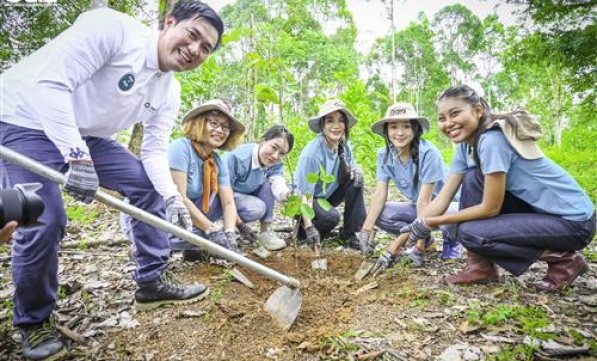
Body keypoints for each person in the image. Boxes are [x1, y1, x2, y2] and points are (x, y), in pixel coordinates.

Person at [0, 1, 224, 359]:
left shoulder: (168, 90)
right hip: (24, 119)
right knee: (43, 216)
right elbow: (50, 84)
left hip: (84, 133)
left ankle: (151, 281)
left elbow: (152, 153)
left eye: (205, 49)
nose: (194, 50)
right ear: (169, 22)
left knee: (149, 187)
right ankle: (33, 321)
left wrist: (171, 198)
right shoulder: (113, 30)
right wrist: (77, 156)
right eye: (192, 35)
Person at [398, 85, 595, 292]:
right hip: (542, 214)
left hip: (574, 222)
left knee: (470, 233)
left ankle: (565, 260)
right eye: (442, 118)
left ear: (479, 110)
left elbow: (490, 208)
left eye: (455, 113)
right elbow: (442, 199)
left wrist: (432, 222)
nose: (448, 123)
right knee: (473, 177)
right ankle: (480, 267)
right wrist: (397, 244)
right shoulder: (466, 146)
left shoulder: (492, 140)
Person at [362, 103, 461, 273]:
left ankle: (451, 243)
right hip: (423, 210)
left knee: (449, 216)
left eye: (406, 126)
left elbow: (425, 202)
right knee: (381, 214)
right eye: (393, 127)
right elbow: (379, 194)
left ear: (415, 129)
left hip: (449, 206)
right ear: (386, 130)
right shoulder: (384, 154)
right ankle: (428, 241)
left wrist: (401, 248)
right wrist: (365, 229)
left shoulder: (428, 153)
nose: (399, 133)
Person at [294, 99, 366, 254]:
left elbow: (352, 164)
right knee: (331, 217)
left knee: (356, 180)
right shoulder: (312, 154)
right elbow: (304, 194)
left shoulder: (343, 145)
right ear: (322, 125)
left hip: (326, 195)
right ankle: (302, 232)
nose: (336, 126)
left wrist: (357, 169)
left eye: (341, 121)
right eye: (330, 121)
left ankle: (349, 233)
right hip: (306, 200)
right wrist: (309, 227)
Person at [222, 125, 294, 251]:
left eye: (282, 153)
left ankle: (265, 233)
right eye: (274, 147)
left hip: (245, 195)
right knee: (257, 208)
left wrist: (287, 195)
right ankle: (224, 227)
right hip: (223, 198)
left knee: (269, 184)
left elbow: (277, 182)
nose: (275, 156)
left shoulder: (274, 163)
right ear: (263, 141)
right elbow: (222, 193)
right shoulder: (237, 158)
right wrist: (240, 225)